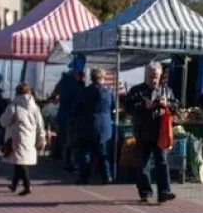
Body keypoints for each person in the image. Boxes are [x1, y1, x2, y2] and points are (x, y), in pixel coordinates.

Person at [126, 62, 179, 203]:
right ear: (145, 75)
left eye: (155, 77)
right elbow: (129, 108)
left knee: (162, 162)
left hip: (160, 132)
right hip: (143, 132)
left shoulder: (166, 90)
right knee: (142, 165)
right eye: (150, 77)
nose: (153, 80)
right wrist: (144, 105)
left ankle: (164, 193)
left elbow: (175, 106)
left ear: (160, 75)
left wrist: (167, 104)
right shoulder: (136, 90)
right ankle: (145, 192)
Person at [0, 83, 46, 196]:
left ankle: (27, 185)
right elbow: (40, 125)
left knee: (21, 163)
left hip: (16, 137)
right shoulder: (35, 107)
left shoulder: (14, 105)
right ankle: (14, 184)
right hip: (30, 138)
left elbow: (3, 121)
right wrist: (41, 140)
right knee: (20, 161)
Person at [73, 68, 115, 185]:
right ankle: (107, 176)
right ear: (103, 77)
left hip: (88, 124)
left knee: (85, 152)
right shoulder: (109, 92)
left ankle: (84, 177)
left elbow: (77, 108)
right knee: (103, 152)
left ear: (91, 78)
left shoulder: (85, 92)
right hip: (105, 125)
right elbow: (113, 107)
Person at [51, 70, 85, 170]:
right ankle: (70, 162)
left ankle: (64, 159)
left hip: (62, 114)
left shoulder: (63, 82)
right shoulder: (76, 86)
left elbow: (55, 94)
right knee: (71, 140)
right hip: (72, 116)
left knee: (64, 139)